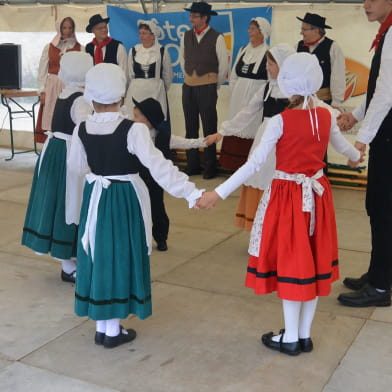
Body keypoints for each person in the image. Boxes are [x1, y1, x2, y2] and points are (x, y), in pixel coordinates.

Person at [197, 53, 362, 356]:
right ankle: (304, 335)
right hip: (318, 195)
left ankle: (290, 340)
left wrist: (217, 193)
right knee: (311, 264)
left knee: (293, 266)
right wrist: (356, 156)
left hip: (288, 198)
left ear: (288, 83)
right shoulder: (325, 115)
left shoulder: (280, 121)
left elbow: (253, 164)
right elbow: (345, 149)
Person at [66, 63, 203, 348]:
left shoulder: (81, 129)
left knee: (99, 255)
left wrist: (98, 173)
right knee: (119, 256)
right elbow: (159, 168)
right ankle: (112, 331)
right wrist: (192, 193)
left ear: (91, 95)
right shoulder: (133, 130)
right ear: (121, 96)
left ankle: (103, 325)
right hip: (124, 197)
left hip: (96, 196)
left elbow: (77, 167)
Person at [337, 0, 392, 307]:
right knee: (379, 207)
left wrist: (362, 139)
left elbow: (387, 92)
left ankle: (381, 287)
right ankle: (379, 272)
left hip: (387, 134)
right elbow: (377, 89)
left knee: (382, 209)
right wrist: (356, 117)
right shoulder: (386, 32)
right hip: (383, 130)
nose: (365, 4)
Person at [206, 44, 294, 231]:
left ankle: (278, 231)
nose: (267, 68)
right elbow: (247, 113)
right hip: (265, 140)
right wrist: (224, 131)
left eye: (271, 64)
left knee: (278, 182)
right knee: (259, 176)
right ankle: (262, 231)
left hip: (286, 142)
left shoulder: (295, 92)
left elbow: (318, 110)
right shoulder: (266, 88)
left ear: (284, 65)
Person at [22, 51, 93, 283]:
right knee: (69, 203)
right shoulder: (80, 98)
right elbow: (86, 129)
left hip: (55, 150)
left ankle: (68, 263)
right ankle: (70, 262)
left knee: (58, 203)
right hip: (68, 153)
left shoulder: (66, 93)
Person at [132, 97, 210, 252]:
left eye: (136, 117)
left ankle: (161, 238)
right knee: (136, 209)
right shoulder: (131, 134)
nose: (132, 120)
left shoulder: (164, 137)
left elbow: (186, 143)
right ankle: (138, 238)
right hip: (136, 179)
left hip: (155, 181)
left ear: (148, 120)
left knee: (157, 209)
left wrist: (204, 142)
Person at [180, 2, 229, 179]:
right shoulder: (186, 36)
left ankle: (210, 168)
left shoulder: (217, 37)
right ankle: (192, 165)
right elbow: (183, 58)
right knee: (190, 127)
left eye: (194, 16)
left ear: (204, 18)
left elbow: (223, 65)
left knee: (209, 128)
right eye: (191, 15)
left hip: (208, 86)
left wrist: (214, 84)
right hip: (189, 86)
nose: (191, 19)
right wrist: (190, 79)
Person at [219, 17, 270, 172]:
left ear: (263, 32)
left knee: (251, 127)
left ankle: (249, 167)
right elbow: (234, 74)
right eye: (250, 28)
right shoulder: (243, 50)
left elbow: (270, 80)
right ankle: (232, 165)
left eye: (253, 29)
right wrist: (235, 92)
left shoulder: (268, 54)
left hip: (256, 98)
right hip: (238, 98)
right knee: (236, 123)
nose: (249, 31)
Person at [36, 17, 82, 143]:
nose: (67, 30)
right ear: (59, 28)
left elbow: (81, 71)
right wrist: (42, 90)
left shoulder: (80, 48)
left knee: (66, 116)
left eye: (70, 27)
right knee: (50, 116)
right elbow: (42, 71)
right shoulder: (49, 47)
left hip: (70, 86)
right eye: (64, 27)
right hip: (52, 85)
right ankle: (50, 146)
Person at [124, 20, 173, 139]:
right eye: (140, 33)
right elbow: (129, 73)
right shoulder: (134, 50)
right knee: (134, 121)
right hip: (136, 91)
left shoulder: (161, 51)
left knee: (155, 122)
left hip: (155, 91)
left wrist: (160, 87)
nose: (142, 36)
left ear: (153, 35)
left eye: (145, 33)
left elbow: (168, 74)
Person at [296, 13, 345, 107]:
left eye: (304, 29)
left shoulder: (333, 47)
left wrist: (336, 103)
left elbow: (338, 77)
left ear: (316, 30)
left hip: (323, 102)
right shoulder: (297, 47)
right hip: (301, 103)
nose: (301, 33)